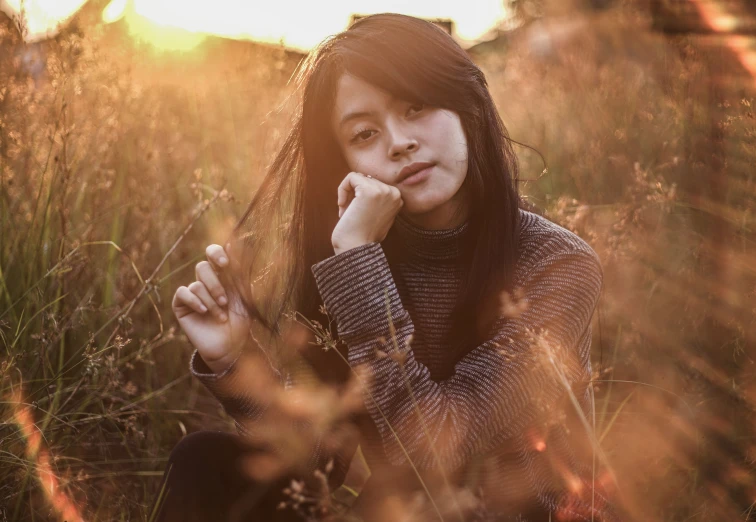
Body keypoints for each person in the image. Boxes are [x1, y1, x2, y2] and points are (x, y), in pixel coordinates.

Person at [154, 12, 619, 522]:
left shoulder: (558, 263)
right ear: (347, 165)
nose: (398, 142)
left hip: (519, 514)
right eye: (364, 134)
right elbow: (320, 459)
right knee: (203, 463)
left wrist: (358, 265)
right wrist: (234, 360)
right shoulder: (359, 256)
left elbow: (437, 456)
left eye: (415, 107)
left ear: (469, 106)